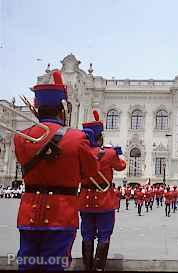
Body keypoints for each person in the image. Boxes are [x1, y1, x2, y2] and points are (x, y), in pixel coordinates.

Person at [13, 70, 99, 271]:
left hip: (29, 214)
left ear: (36, 108)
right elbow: (91, 171)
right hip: (61, 213)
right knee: (55, 265)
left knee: (27, 263)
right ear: (63, 108)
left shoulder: (20, 137)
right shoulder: (78, 139)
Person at [79, 110, 126, 271]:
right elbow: (121, 166)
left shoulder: (80, 154)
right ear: (100, 137)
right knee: (104, 235)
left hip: (85, 201)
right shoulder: (109, 153)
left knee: (87, 234)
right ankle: (98, 268)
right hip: (104, 200)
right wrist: (115, 153)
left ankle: (87, 267)